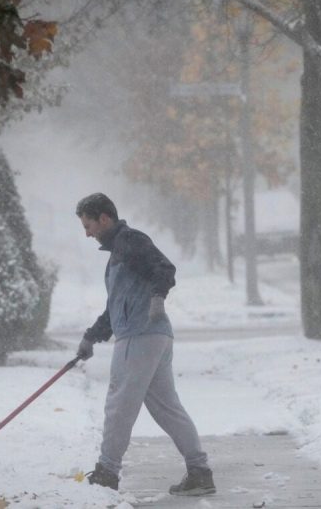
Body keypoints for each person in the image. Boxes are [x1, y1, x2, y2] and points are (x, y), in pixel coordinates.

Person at [75, 192, 216, 496]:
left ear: (104, 218)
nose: (87, 233)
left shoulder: (130, 242)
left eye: (88, 226)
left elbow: (164, 269)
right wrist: (91, 336)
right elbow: (115, 306)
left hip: (139, 334)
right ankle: (200, 472)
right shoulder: (118, 252)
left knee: (118, 406)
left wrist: (157, 298)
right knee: (167, 408)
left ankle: (107, 472)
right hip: (154, 336)